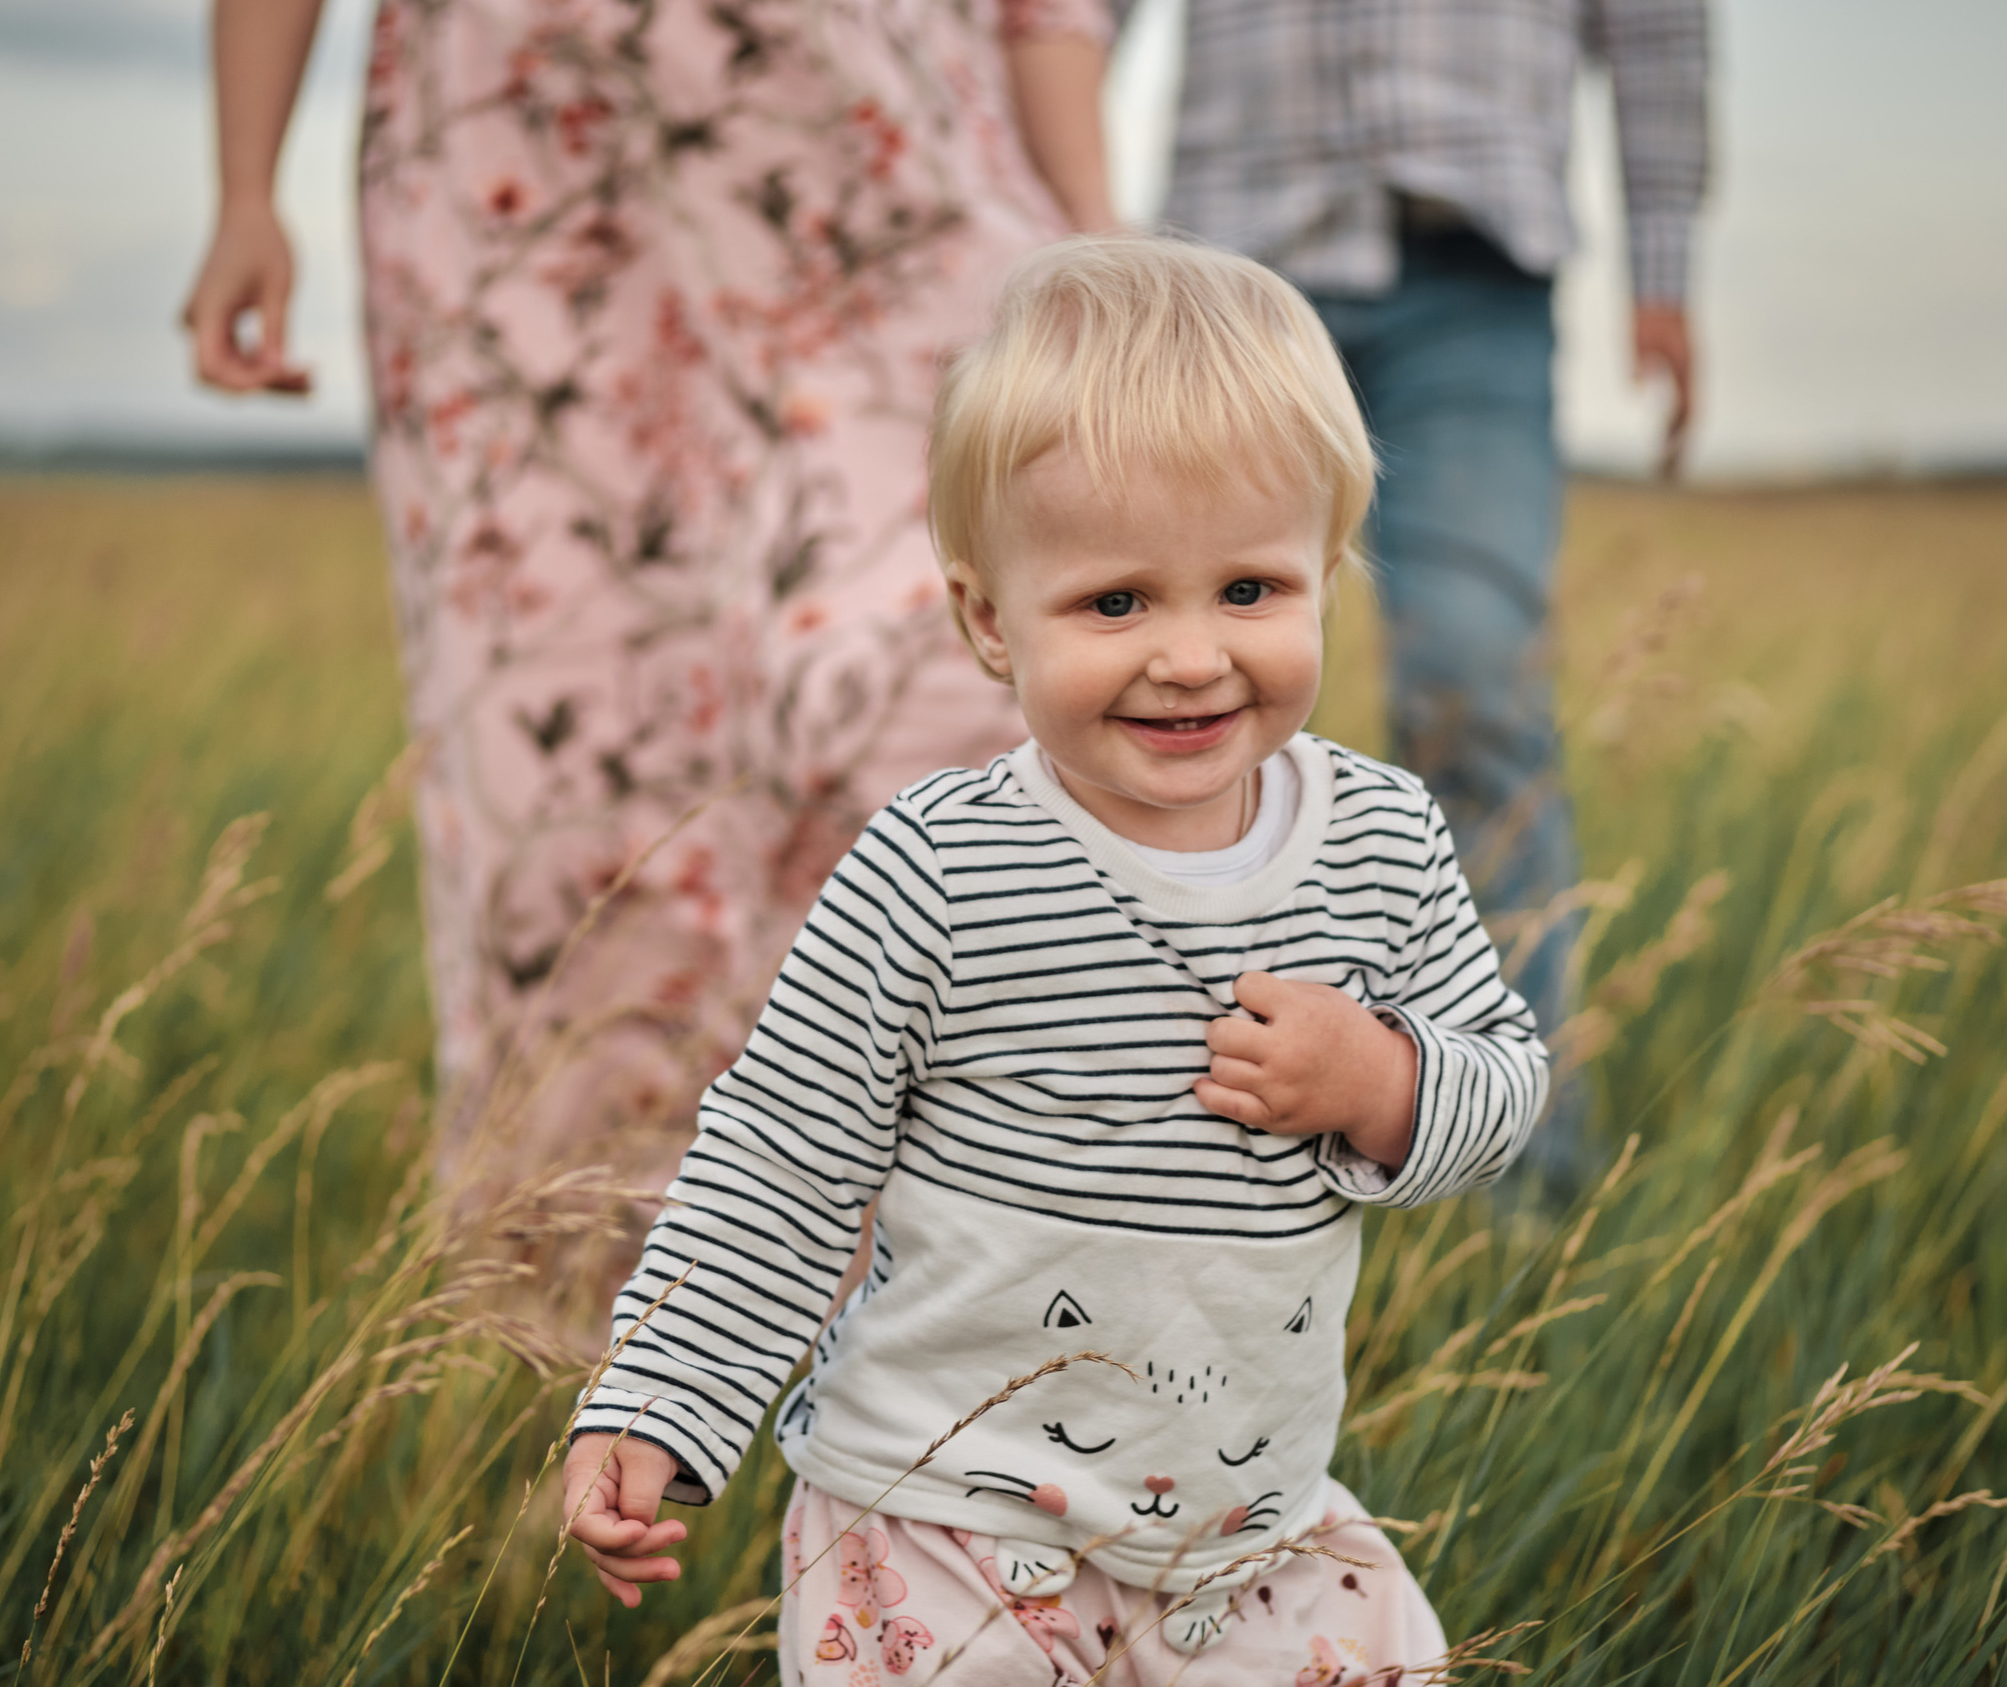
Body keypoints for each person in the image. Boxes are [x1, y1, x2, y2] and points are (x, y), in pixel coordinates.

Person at [561, 235, 1547, 1682]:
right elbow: (781, 1155)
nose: (1194, 655)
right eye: (1116, 602)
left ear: (1326, 573)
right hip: (943, 1514)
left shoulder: (1381, 836)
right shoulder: (936, 868)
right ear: (987, 621)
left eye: (1252, 590)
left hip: (1244, 1526)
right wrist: (658, 1398)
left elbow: (1506, 1088)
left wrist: (1377, 1075)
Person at [179, 0, 1118, 1321]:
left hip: (888, 190)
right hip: (537, 196)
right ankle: (583, 1387)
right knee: (573, 794)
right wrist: (243, 187)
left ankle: (951, 1348)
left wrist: (1099, 245)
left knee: (955, 721)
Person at [1142, 0, 1711, 1201]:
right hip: (1226, 263)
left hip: (1478, 268)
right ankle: (1160, 1151)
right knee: (1166, 688)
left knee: (1474, 684)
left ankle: (1514, 1182)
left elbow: (1656, 16)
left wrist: (1662, 268)